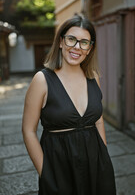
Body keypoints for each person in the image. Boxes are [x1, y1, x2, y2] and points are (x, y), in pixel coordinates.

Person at [22, 15, 116, 195]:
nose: (77, 47)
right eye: (71, 39)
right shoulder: (42, 80)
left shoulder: (93, 77)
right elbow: (28, 130)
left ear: (90, 49)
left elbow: (98, 120)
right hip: (58, 167)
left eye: (84, 42)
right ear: (60, 42)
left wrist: (103, 156)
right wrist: (46, 173)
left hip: (96, 165)